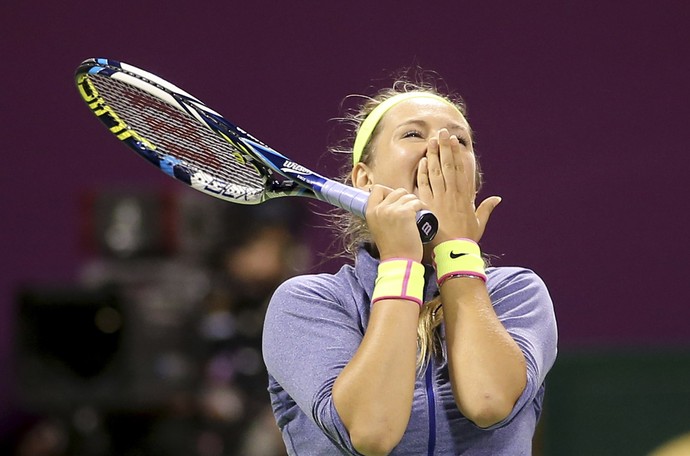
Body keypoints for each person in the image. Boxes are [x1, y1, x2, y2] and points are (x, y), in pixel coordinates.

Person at [262, 73, 558, 455]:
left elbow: (488, 401)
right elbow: (373, 431)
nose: (440, 145)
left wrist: (456, 250)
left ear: (473, 184)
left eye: (460, 140)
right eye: (413, 134)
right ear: (364, 180)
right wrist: (401, 263)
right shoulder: (307, 302)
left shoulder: (517, 292)